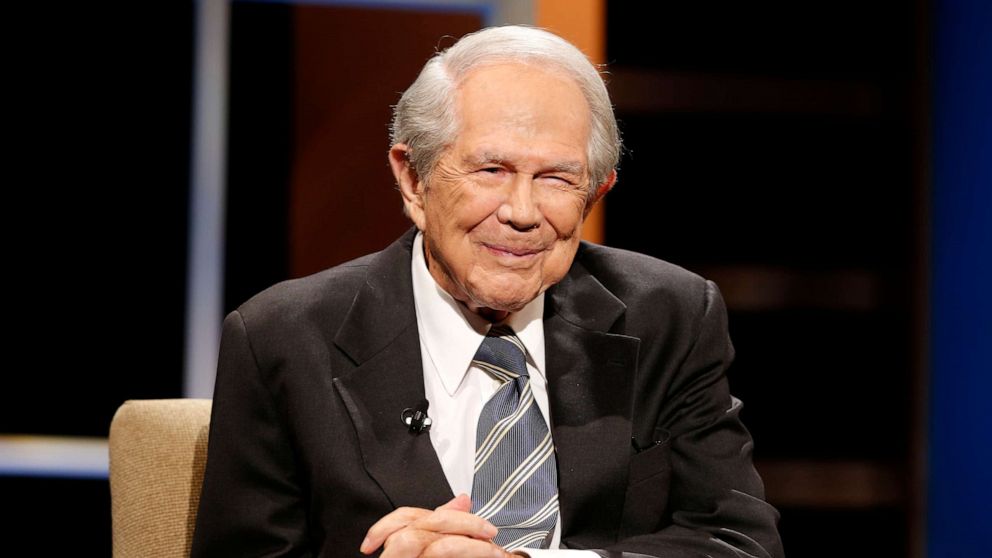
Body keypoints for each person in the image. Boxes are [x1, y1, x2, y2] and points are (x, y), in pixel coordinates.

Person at [191, 25, 784, 558]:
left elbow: (737, 543)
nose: (522, 213)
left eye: (556, 178)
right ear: (412, 178)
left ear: (596, 193)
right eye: (490, 171)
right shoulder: (284, 337)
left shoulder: (670, 316)